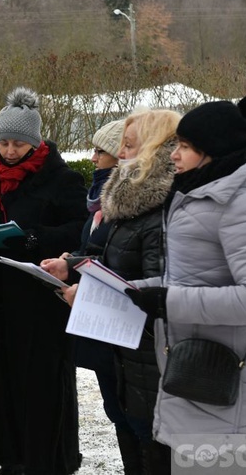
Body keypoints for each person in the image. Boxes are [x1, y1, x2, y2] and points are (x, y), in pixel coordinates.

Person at [127, 94, 246, 473]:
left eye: (185, 147)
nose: (174, 155)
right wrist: (125, 289)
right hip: (201, 379)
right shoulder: (208, 188)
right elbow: (191, 279)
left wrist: (168, 301)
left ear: (213, 150)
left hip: (234, 385)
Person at [0, 86, 88, 475]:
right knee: (2, 375)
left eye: (18, 144)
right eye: (4, 143)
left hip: (40, 292)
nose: (10, 151)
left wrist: (32, 238)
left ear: (35, 142)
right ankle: (12, 455)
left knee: (42, 377)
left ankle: (47, 458)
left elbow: (79, 230)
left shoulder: (61, 178)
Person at [45, 108, 180, 474]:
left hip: (152, 359)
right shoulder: (130, 203)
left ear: (154, 148)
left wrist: (86, 298)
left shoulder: (161, 211)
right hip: (127, 356)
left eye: (128, 144)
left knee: (155, 449)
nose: (120, 152)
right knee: (131, 433)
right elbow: (110, 258)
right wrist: (72, 266)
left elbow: (159, 297)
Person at [41, 119, 142, 473]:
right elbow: (95, 250)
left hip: (124, 324)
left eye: (102, 151)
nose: (93, 157)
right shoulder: (99, 203)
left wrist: (78, 270)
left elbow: (126, 261)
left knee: (134, 413)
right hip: (102, 322)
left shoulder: (128, 203)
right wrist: (71, 263)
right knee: (116, 410)